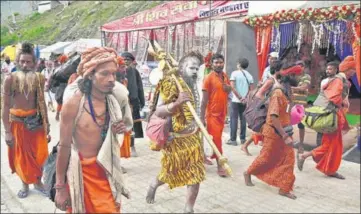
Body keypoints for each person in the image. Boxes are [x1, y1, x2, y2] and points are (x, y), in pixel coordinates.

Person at [55, 47, 133, 213]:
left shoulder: (114, 101)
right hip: (81, 174)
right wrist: (60, 187)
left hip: (106, 172)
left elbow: (119, 131)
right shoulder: (74, 104)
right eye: (105, 74)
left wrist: (117, 130)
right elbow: (64, 146)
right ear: (90, 75)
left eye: (114, 73)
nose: (112, 79)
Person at [146, 51, 205, 213]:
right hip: (175, 139)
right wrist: (177, 103)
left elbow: (196, 111)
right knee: (169, 172)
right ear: (182, 67)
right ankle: (153, 185)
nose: (195, 71)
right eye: (191, 67)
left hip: (192, 138)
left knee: (195, 175)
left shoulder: (193, 85)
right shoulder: (171, 84)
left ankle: (188, 209)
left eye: (197, 68)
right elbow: (158, 112)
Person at [243, 64, 304, 200]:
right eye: (297, 76)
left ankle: (284, 188)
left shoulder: (287, 91)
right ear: (290, 76)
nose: (299, 79)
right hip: (274, 132)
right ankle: (248, 173)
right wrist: (284, 135)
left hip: (285, 131)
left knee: (289, 159)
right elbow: (273, 117)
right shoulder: (277, 93)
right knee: (266, 158)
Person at [2, 42, 50, 198]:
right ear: (17, 61)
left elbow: (42, 103)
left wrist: (46, 126)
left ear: (35, 63)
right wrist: (7, 132)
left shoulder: (39, 78)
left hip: (36, 124)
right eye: (22, 61)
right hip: (17, 125)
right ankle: (25, 184)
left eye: (28, 62)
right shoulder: (10, 79)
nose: (25, 65)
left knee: (40, 156)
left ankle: (38, 182)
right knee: (21, 158)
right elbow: (5, 106)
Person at [297, 58, 356, 180]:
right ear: (348, 69)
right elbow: (334, 98)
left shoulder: (339, 79)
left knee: (332, 144)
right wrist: (343, 103)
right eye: (353, 70)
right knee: (331, 145)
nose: (354, 73)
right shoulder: (339, 80)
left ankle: (329, 169)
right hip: (331, 116)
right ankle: (306, 156)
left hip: (329, 116)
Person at [241, 60, 282, 156]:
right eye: (282, 69)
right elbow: (260, 93)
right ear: (277, 70)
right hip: (265, 108)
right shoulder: (270, 81)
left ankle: (246, 146)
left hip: (269, 107)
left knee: (262, 130)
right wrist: (268, 104)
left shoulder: (274, 80)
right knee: (266, 129)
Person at [200, 53, 232, 177]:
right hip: (212, 115)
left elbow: (228, 91)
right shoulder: (208, 78)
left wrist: (228, 88)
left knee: (215, 140)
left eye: (221, 62)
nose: (219, 64)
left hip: (222, 114)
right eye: (216, 62)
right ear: (212, 64)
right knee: (217, 140)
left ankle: (203, 157)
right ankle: (220, 165)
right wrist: (202, 118)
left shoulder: (224, 76)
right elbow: (204, 101)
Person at [121, 52, 145, 157]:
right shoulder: (117, 72)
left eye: (128, 60)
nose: (126, 62)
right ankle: (122, 147)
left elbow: (140, 87)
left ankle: (132, 146)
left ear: (131, 61)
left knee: (133, 125)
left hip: (133, 101)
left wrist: (142, 101)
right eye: (124, 60)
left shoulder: (135, 72)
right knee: (122, 125)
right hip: (121, 102)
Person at [227, 58, 254, 146]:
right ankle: (243, 139)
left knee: (234, 119)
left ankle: (233, 140)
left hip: (235, 100)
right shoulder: (249, 76)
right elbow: (251, 90)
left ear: (239, 64)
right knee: (243, 119)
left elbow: (232, 87)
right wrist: (245, 98)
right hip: (245, 101)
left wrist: (239, 97)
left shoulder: (234, 73)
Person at [291, 60, 311, 154]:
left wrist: (291, 88)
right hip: (291, 103)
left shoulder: (306, 77)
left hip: (301, 105)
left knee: (301, 125)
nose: (299, 67)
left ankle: (301, 145)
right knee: (287, 124)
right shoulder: (292, 76)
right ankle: (288, 143)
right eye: (297, 66)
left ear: (304, 67)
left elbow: (304, 87)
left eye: (301, 66)